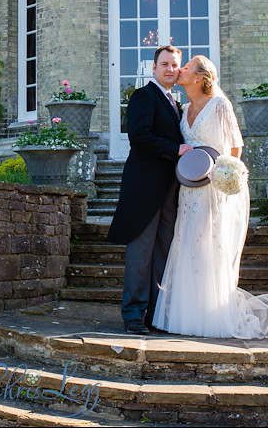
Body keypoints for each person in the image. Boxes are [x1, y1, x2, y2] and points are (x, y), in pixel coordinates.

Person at [151, 55, 268, 338]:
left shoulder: (219, 104)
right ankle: (185, 315)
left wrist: (225, 175)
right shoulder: (185, 108)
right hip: (189, 189)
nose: (179, 70)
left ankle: (212, 316)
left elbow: (236, 147)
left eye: (186, 67)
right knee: (188, 243)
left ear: (199, 78)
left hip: (214, 189)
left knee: (210, 245)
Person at [107, 45, 193, 335]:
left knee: (162, 253)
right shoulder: (143, 96)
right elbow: (139, 136)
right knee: (141, 253)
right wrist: (176, 149)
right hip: (144, 188)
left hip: (170, 187)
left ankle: (154, 314)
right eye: (165, 64)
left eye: (175, 65)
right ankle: (133, 314)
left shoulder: (174, 102)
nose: (170, 69)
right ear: (154, 68)